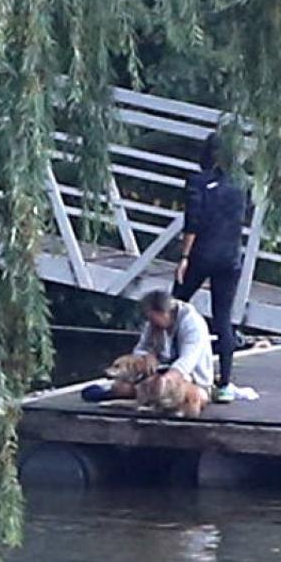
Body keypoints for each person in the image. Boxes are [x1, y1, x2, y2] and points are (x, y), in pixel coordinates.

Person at [172, 133, 247, 404]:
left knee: (175, 305)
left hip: (202, 253)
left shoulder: (197, 182)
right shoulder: (241, 185)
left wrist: (184, 257)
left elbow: (193, 222)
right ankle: (224, 383)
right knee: (223, 317)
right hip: (230, 256)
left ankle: (172, 364)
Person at [84, 290, 215, 402]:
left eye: (152, 317)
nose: (150, 322)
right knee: (121, 388)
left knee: (167, 392)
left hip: (191, 379)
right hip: (160, 372)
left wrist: (164, 381)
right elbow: (139, 350)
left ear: (163, 312)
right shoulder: (154, 325)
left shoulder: (193, 324)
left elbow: (187, 361)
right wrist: (147, 356)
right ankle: (127, 393)